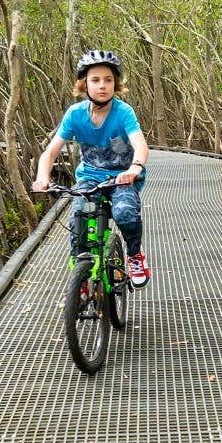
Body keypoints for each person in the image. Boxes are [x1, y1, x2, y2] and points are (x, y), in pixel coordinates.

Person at [34, 50, 151, 287]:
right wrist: (42, 177)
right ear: (84, 84)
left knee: (125, 213)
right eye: (95, 80)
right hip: (89, 179)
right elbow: (50, 152)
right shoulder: (75, 114)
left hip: (122, 178)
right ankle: (82, 272)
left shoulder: (123, 112)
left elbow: (140, 144)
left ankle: (134, 255)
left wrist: (135, 167)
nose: (102, 86)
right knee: (79, 219)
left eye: (108, 80)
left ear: (115, 84)